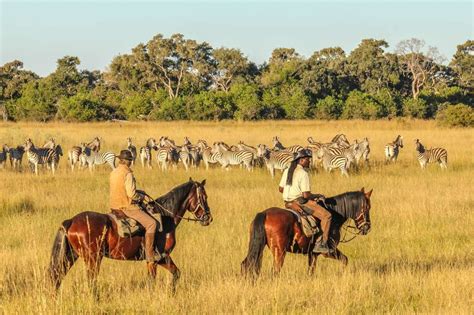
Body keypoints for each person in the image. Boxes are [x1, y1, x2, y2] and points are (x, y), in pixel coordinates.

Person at [110, 150, 162, 263]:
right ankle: (150, 254)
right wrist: (141, 197)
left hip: (114, 206)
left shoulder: (114, 172)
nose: (131, 162)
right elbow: (131, 194)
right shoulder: (128, 173)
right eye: (130, 160)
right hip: (127, 207)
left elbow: (120, 188)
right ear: (127, 161)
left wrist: (139, 191)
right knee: (152, 224)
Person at [279, 149, 332, 254]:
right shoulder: (303, 173)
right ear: (301, 160)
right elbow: (306, 195)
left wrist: (291, 193)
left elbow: (281, 189)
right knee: (327, 216)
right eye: (308, 159)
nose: (309, 161)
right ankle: (321, 244)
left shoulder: (287, 170)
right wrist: (317, 195)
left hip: (288, 203)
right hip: (300, 202)